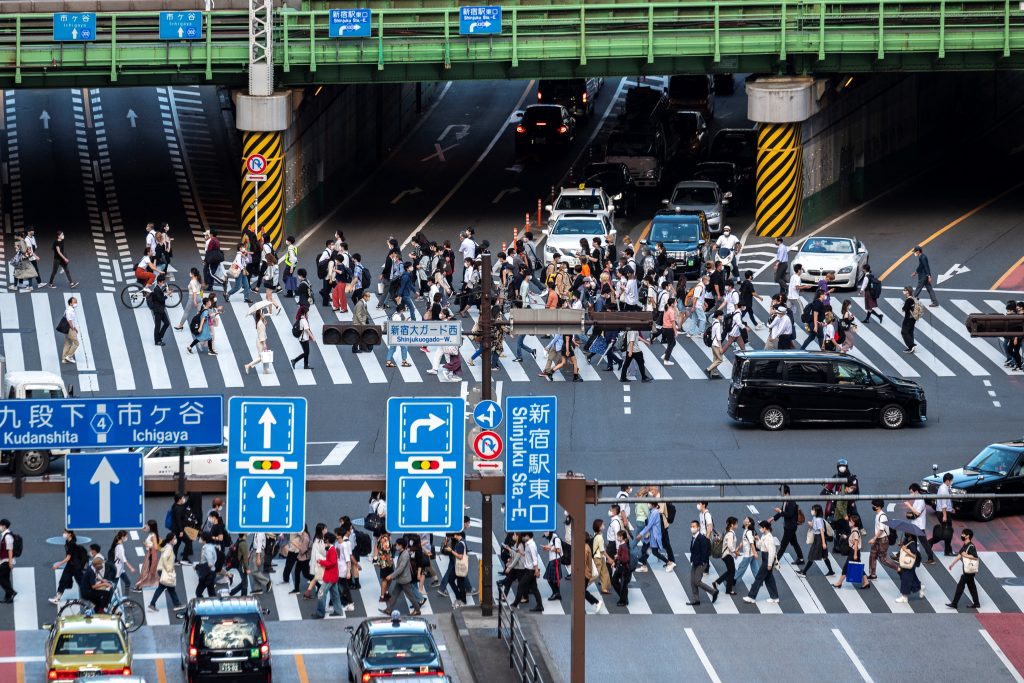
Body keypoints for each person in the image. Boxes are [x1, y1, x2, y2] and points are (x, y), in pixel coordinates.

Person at [743, 520, 780, 604]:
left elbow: (772, 552)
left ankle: (751, 596)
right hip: (765, 558)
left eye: (761, 527)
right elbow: (760, 547)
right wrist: (757, 539)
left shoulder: (769, 538)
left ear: (765, 528)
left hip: (767, 560)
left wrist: (770, 564)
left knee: (758, 578)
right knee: (769, 579)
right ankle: (775, 597)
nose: (760, 529)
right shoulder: (764, 536)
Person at [382, 538, 422, 615]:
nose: (395, 546)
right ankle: (389, 609)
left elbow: (401, 568)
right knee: (394, 594)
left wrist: (391, 576)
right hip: (401, 579)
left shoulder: (405, 555)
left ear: (401, 545)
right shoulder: (402, 552)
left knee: (410, 596)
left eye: (396, 544)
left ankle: (417, 610)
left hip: (404, 580)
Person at [832, 513, 870, 590]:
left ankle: (839, 583)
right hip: (855, 552)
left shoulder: (855, 532)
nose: (849, 522)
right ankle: (866, 582)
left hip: (854, 552)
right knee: (857, 567)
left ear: (854, 523)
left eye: (850, 521)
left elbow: (856, 543)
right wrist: (846, 537)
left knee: (846, 568)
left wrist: (855, 554)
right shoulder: (854, 531)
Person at [946, 528, 981, 609]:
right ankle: (976, 603)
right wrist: (952, 564)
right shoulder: (965, 545)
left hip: (969, 571)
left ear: (968, 536)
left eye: (963, 534)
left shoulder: (971, 546)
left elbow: (975, 557)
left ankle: (954, 603)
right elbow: (960, 555)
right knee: (972, 587)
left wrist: (965, 555)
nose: (962, 535)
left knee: (960, 586)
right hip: (968, 571)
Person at [313, 532, 345, 618]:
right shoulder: (332, 549)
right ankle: (338, 611)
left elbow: (332, 562)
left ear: (327, 540)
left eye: (325, 540)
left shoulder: (331, 550)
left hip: (329, 577)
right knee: (335, 594)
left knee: (321, 593)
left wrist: (321, 561)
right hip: (333, 576)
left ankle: (320, 613)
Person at [50, 530, 87, 604]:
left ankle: (89, 598)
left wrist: (58, 564)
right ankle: (57, 598)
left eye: (65, 533)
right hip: (71, 564)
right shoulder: (68, 542)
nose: (63, 534)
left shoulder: (72, 544)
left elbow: (68, 557)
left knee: (82, 582)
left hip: (75, 566)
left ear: (70, 534)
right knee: (63, 580)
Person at [149, 533, 184, 612]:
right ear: (171, 540)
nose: (175, 540)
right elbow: (164, 557)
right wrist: (168, 569)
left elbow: (161, 551)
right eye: (174, 538)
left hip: (161, 569)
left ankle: (153, 604)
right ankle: (177, 604)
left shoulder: (167, 546)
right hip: (164, 570)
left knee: (165, 588)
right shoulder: (169, 548)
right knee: (170, 588)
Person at [687, 520, 719, 605]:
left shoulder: (702, 538)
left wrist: (702, 563)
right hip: (695, 562)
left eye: (694, 526)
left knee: (697, 581)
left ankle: (713, 591)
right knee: (692, 581)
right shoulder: (694, 537)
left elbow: (705, 553)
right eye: (691, 526)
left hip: (701, 563)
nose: (692, 528)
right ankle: (696, 600)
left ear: (698, 528)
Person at [798, 505, 834, 577]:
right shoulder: (815, 518)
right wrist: (811, 525)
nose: (812, 511)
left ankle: (804, 572)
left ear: (817, 511)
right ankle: (831, 571)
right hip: (817, 538)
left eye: (813, 510)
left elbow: (822, 532)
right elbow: (815, 528)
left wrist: (823, 543)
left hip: (819, 539)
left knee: (812, 555)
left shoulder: (818, 520)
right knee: (824, 556)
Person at [773, 486, 805, 565]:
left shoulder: (791, 502)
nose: (780, 494)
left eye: (781, 492)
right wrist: (773, 518)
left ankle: (775, 561)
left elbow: (789, 514)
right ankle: (801, 559)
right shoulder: (785, 500)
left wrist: (780, 511)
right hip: (788, 526)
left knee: (783, 544)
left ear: (785, 492)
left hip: (791, 527)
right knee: (794, 543)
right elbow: (783, 511)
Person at [929, 473, 955, 557]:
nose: (952, 482)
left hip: (944, 512)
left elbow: (945, 502)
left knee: (946, 531)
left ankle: (947, 550)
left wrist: (951, 509)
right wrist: (945, 515)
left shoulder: (943, 487)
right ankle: (946, 551)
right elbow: (944, 504)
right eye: (951, 480)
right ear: (947, 480)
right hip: (943, 513)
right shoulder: (944, 489)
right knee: (947, 532)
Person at [895, 533, 924, 604]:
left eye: (907, 532)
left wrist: (905, 550)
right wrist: (901, 544)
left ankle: (904, 597)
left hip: (909, 563)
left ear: (911, 535)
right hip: (906, 563)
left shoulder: (913, 543)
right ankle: (919, 587)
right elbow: (904, 547)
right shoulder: (906, 540)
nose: (905, 533)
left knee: (906, 579)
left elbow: (914, 555)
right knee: (911, 578)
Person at [134, 520, 161, 591]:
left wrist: (146, 544)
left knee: (147, 571)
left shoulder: (153, 535)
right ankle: (161, 584)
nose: (146, 525)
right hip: (149, 553)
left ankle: (140, 586)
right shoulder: (151, 533)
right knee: (150, 571)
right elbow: (145, 530)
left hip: (151, 554)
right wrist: (143, 528)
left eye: (147, 525)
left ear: (151, 527)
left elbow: (156, 547)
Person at [713, 517, 738, 595]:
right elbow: (730, 546)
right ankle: (728, 590)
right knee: (732, 572)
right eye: (736, 524)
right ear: (732, 525)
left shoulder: (726, 531)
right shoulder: (731, 533)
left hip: (725, 555)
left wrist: (734, 554)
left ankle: (717, 583)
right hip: (727, 555)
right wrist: (735, 552)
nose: (737, 525)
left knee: (730, 571)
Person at [733, 517, 760, 584]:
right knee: (755, 567)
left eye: (746, 519)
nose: (744, 519)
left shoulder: (748, 532)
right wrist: (737, 550)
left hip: (748, 554)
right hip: (750, 553)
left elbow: (751, 543)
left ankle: (734, 580)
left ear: (749, 523)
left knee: (742, 567)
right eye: (744, 518)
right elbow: (743, 541)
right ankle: (759, 580)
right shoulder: (746, 530)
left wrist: (755, 553)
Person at [244, 309, 271, 375]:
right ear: (261, 314)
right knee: (261, 357)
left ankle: (266, 370)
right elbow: (262, 334)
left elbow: (262, 331)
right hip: (261, 341)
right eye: (263, 313)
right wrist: (264, 344)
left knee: (265, 355)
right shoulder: (260, 323)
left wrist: (264, 322)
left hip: (260, 340)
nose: (264, 314)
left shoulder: (259, 322)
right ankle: (248, 365)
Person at [610, 529, 632, 607]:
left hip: (624, 569)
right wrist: (615, 562)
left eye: (618, 537)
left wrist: (617, 557)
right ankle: (624, 598)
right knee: (615, 581)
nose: (617, 538)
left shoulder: (623, 546)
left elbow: (625, 559)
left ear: (622, 537)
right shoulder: (622, 545)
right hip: (621, 567)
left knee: (622, 585)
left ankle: (623, 600)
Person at [195, 533, 218, 598]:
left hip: (207, 574)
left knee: (198, 592)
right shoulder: (210, 546)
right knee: (211, 592)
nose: (199, 539)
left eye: (201, 538)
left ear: (205, 540)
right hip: (211, 573)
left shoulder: (207, 549)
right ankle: (213, 604)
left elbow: (210, 564)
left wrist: (198, 567)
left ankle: (202, 604)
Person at [151, 275, 171, 346]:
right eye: (162, 282)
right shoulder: (156, 289)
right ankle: (157, 341)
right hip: (158, 310)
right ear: (159, 282)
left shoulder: (158, 288)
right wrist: (167, 295)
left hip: (161, 309)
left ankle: (159, 337)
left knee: (167, 323)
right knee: (157, 326)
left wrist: (165, 292)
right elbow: (161, 299)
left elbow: (160, 295)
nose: (163, 283)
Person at [704, 310, 725, 379]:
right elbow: (718, 337)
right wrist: (721, 347)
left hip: (713, 343)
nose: (722, 317)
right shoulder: (718, 324)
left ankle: (714, 374)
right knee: (720, 359)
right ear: (719, 316)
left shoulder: (714, 322)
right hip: (716, 344)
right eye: (721, 315)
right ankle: (708, 369)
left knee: (715, 359)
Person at [901, 286, 918, 353]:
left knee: (904, 332)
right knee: (910, 332)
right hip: (913, 318)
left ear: (908, 291)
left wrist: (904, 307)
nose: (904, 291)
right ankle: (912, 347)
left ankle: (911, 345)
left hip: (908, 319)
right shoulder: (913, 298)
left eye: (905, 290)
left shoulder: (908, 300)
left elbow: (904, 309)